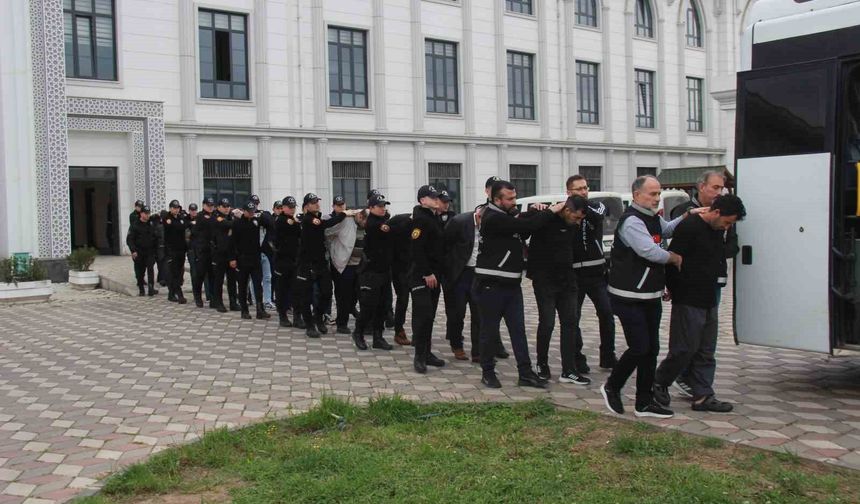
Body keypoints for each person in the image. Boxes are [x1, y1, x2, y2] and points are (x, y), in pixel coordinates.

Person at [600, 175, 694, 419]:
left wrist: (687, 216)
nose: (656, 197)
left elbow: (667, 229)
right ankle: (612, 385)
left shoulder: (652, 217)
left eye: (658, 193)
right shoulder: (632, 221)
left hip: (650, 295)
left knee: (652, 349)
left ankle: (644, 402)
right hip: (628, 296)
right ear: (636, 195)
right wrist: (674, 257)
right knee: (639, 347)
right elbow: (648, 251)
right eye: (652, 194)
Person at [652, 194, 747, 413]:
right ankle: (660, 381)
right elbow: (673, 259)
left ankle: (703, 395)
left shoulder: (718, 230)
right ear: (715, 212)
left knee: (706, 349)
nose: (727, 227)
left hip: (709, 296)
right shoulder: (690, 227)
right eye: (727, 222)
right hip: (688, 297)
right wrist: (674, 290)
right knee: (684, 348)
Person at [475, 180, 564, 389]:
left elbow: (522, 228)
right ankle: (487, 372)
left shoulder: (506, 216)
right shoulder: (491, 217)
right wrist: (551, 211)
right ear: (496, 200)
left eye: (515, 197)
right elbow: (525, 226)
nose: (514, 202)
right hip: (491, 285)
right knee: (489, 331)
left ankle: (525, 373)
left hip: (512, 284)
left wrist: (534, 211)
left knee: (518, 330)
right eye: (510, 199)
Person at [669, 170, 739, 398]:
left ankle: (701, 389)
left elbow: (730, 246)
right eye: (716, 188)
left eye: (722, 188)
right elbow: (674, 255)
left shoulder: (725, 216)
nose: (719, 192)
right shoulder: (686, 215)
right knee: (687, 339)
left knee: (706, 341)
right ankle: (675, 377)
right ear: (702, 187)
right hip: (689, 289)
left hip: (712, 284)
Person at [526, 195, 591, 385]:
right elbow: (526, 225)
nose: (578, 222)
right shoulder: (546, 217)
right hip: (544, 280)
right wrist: (541, 210)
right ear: (567, 210)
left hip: (567, 280)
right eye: (577, 217)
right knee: (547, 322)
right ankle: (542, 364)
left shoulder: (574, 225)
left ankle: (569, 369)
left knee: (570, 323)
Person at [567, 175, 617, 370]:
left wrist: (580, 204)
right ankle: (577, 357)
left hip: (596, 272)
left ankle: (608, 355)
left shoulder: (596, 206)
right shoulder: (566, 210)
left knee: (606, 313)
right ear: (569, 192)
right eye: (579, 189)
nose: (584, 191)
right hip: (574, 274)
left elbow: (597, 215)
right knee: (573, 316)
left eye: (585, 188)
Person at [353, 193, 407, 350]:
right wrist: (410, 218)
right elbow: (393, 228)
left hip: (384, 271)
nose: (383, 209)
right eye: (379, 206)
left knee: (383, 306)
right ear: (371, 208)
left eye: (384, 206)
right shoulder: (375, 224)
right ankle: (358, 333)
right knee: (368, 306)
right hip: (371, 273)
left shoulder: (383, 220)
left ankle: (378, 337)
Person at [295, 193, 348, 338]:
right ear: (306, 206)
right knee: (307, 296)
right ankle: (310, 325)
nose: (317, 204)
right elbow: (326, 224)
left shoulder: (316, 217)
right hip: (307, 263)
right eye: (313, 202)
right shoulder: (308, 219)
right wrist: (343, 214)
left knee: (326, 292)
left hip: (320, 263)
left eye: (317, 201)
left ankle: (318, 317)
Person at [410, 185, 447, 374]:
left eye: (436, 197)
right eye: (432, 197)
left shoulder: (435, 218)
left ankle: (427, 353)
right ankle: (419, 356)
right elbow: (418, 249)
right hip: (422, 276)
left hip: (435, 275)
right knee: (422, 315)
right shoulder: (420, 220)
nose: (436, 199)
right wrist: (426, 273)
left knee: (430, 315)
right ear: (423, 200)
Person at [327, 196, 364, 335]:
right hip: (344, 265)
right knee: (343, 295)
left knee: (357, 293)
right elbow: (327, 231)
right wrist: (333, 250)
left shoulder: (366, 223)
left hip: (359, 265)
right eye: (338, 205)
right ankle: (342, 323)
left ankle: (353, 312)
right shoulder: (344, 221)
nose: (341, 207)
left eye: (343, 205)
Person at [231, 201, 272, 320]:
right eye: (249, 212)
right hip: (242, 259)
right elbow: (232, 242)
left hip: (255, 258)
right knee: (243, 286)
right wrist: (232, 258)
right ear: (244, 211)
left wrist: (260, 214)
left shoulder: (256, 221)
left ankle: (260, 310)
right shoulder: (237, 224)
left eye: (253, 211)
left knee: (257, 285)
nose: (251, 213)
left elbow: (270, 223)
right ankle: (244, 310)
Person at [388, 212, 414, 346]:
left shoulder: (428, 221)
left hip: (415, 266)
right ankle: (399, 330)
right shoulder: (403, 222)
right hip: (399, 267)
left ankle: (418, 332)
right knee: (403, 298)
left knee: (419, 301)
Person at [210, 198, 239, 313]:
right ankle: (219, 302)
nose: (227, 208)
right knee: (219, 279)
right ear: (219, 207)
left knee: (232, 279)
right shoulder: (216, 217)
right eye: (224, 206)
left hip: (231, 253)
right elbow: (225, 224)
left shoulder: (230, 217)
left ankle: (233, 302)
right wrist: (238, 220)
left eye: (228, 206)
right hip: (219, 253)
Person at [248, 195, 276, 311]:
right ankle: (255, 300)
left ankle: (267, 300)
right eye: (253, 203)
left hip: (263, 251)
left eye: (256, 203)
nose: (255, 205)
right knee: (254, 278)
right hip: (252, 252)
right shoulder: (246, 217)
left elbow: (269, 221)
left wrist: (258, 215)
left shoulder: (263, 214)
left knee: (268, 277)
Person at [126, 206, 159, 296]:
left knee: (150, 270)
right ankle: (141, 289)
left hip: (150, 251)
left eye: (148, 213)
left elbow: (155, 238)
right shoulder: (135, 225)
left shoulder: (151, 224)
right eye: (145, 213)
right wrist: (133, 251)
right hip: (139, 252)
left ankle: (151, 288)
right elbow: (130, 239)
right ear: (141, 214)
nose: (147, 215)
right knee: (140, 271)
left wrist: (156, 250)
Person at [190, 197, 215, 308]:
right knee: (199, 275)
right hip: (202, 250)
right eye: (208, 205)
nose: (210, 207)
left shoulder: (215, 216)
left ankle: (212, 298)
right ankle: (198, 297)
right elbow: (194, 235)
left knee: (212, 276)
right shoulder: (200, 216)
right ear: (204, 205)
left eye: (212, 205)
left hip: (212, 251)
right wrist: (197, 250)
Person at [163, 200, 189, 304]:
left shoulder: (180, 218)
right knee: (174, 273)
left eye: (177, 208)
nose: (176, 209)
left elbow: (184, 226)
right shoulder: (167, 218)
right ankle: (179, 294)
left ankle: (171, 294)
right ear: (170, 208)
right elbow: (175, 227)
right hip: (171, 250)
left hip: (181, 249)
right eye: (174, 207)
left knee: (179, 272)